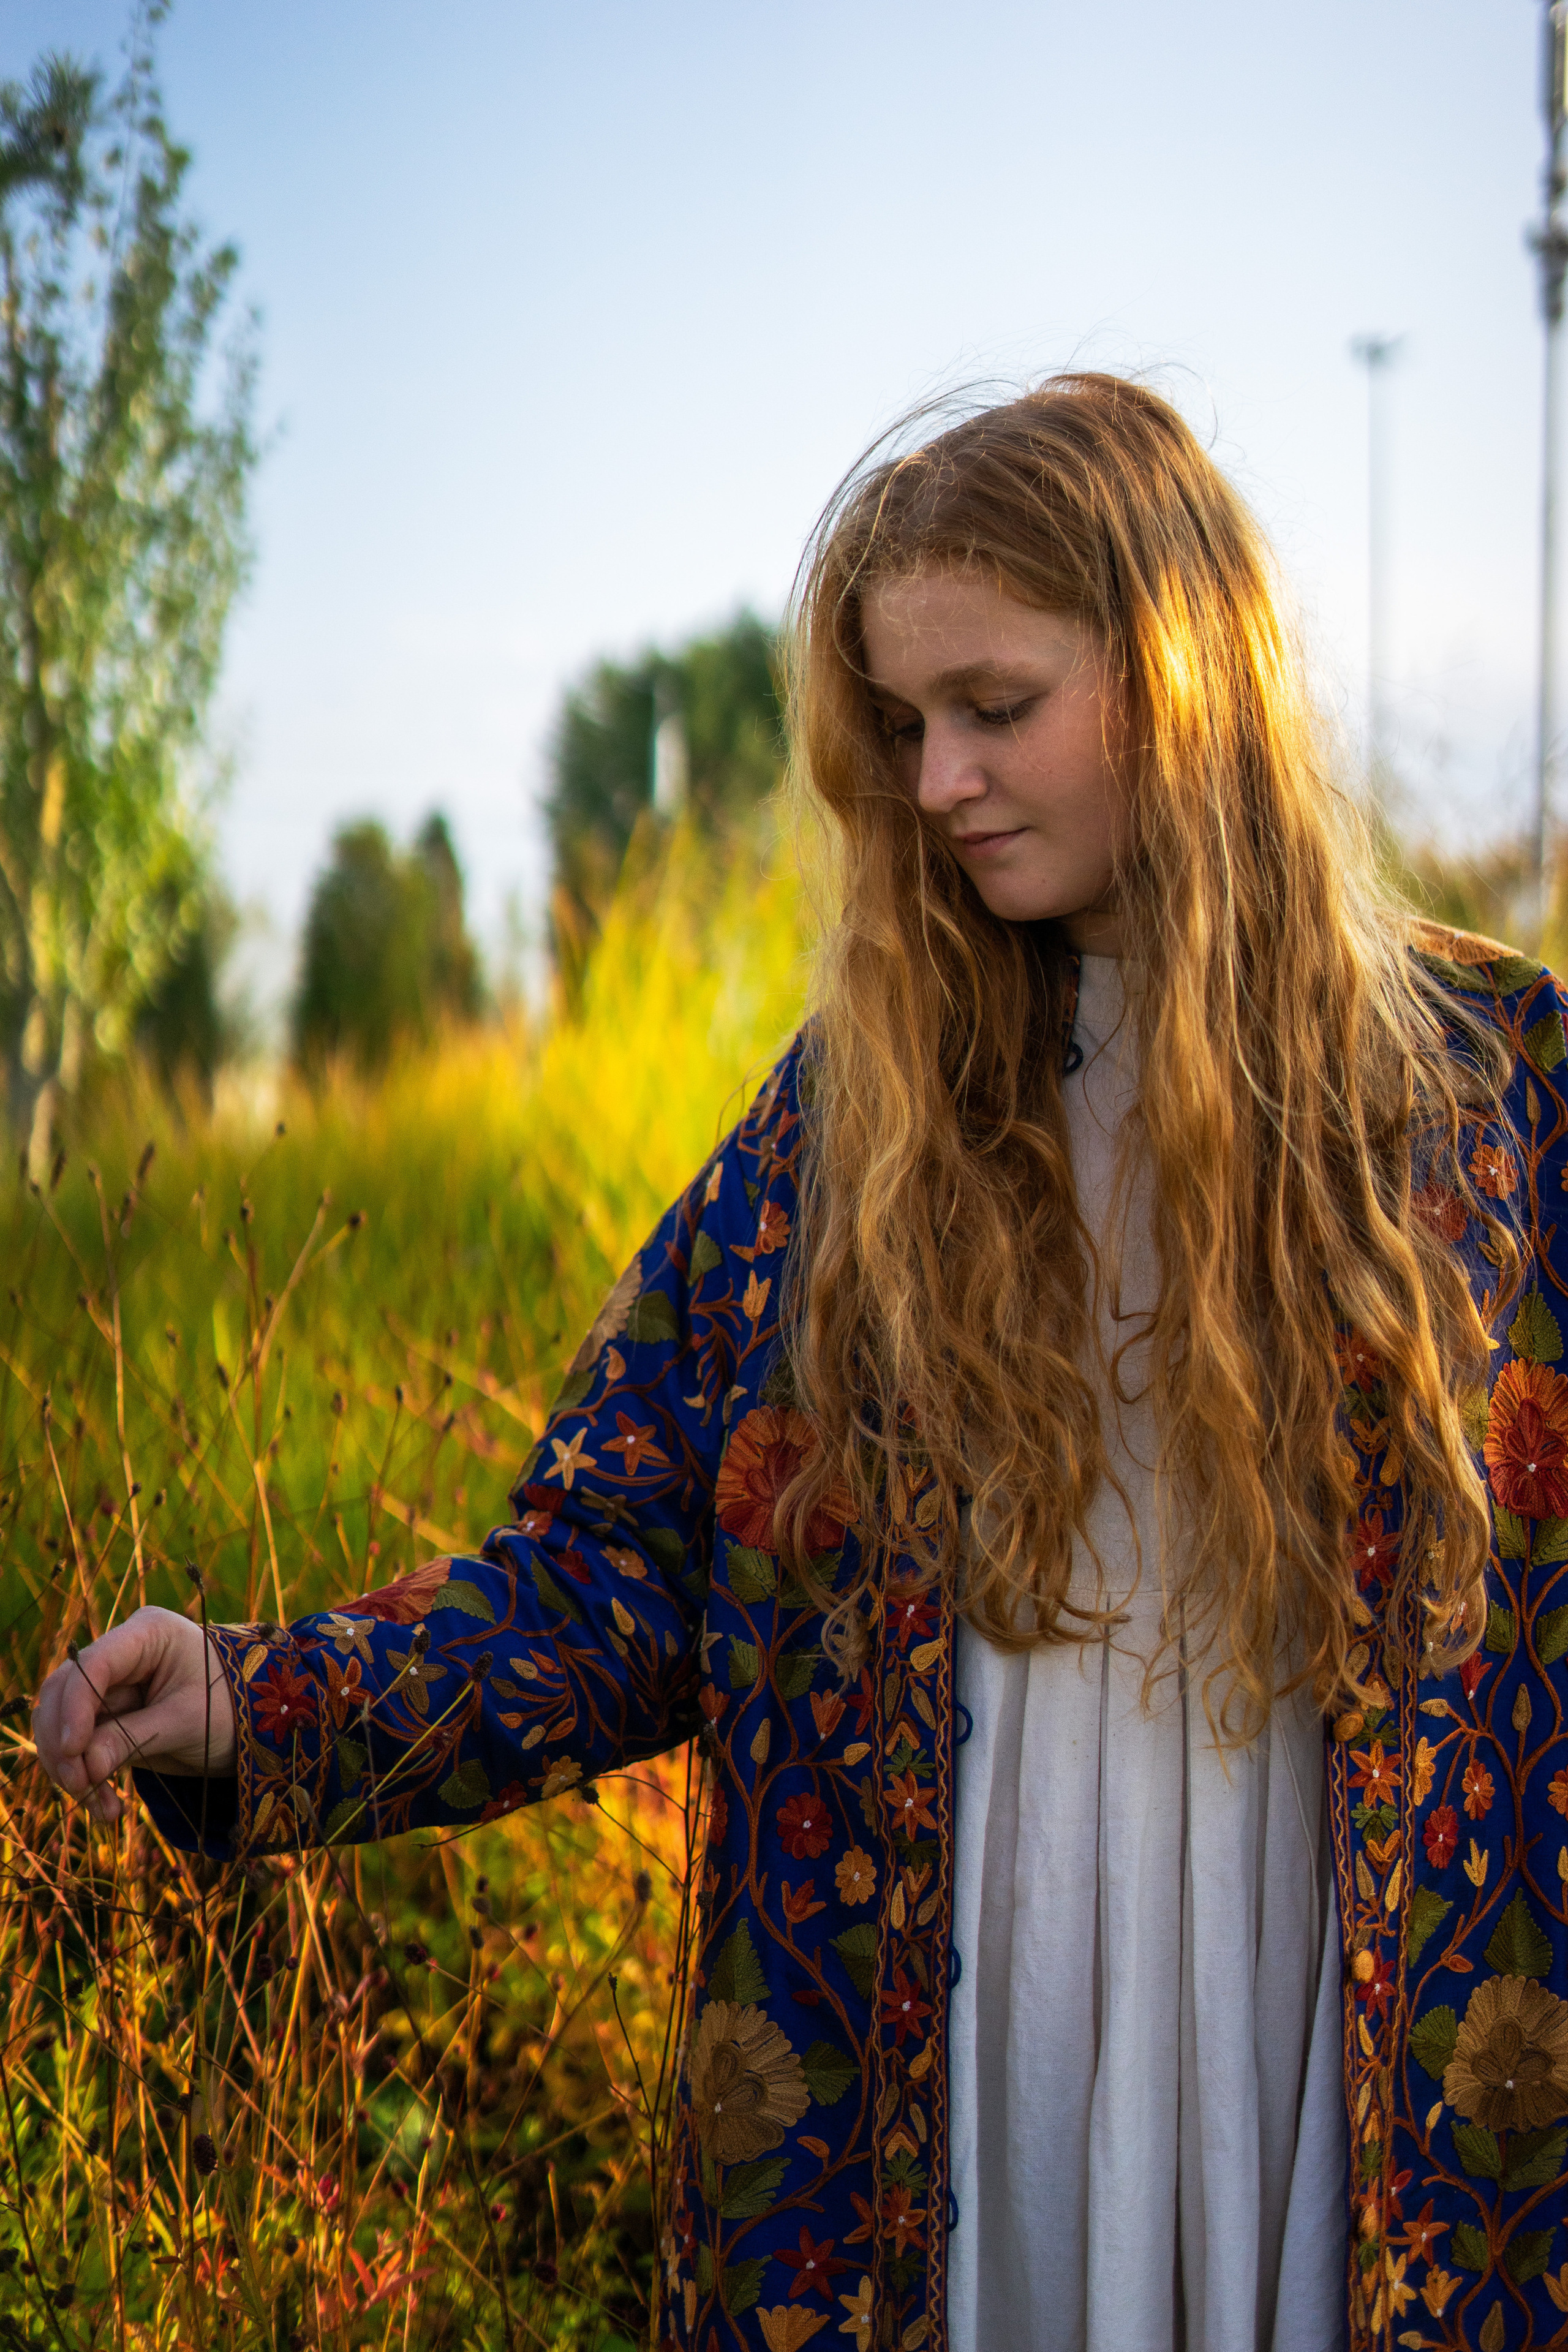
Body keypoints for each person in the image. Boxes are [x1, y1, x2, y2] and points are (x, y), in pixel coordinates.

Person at [32, 373, 1568, 2352]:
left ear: (1186, 681)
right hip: (953, 2070)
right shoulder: (855, 1134)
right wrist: (258, 1699)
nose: (935, 785)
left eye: (994, 709)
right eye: (907, 728)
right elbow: (614, 1568)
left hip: (1350, 2053)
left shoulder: (1501, 1097)